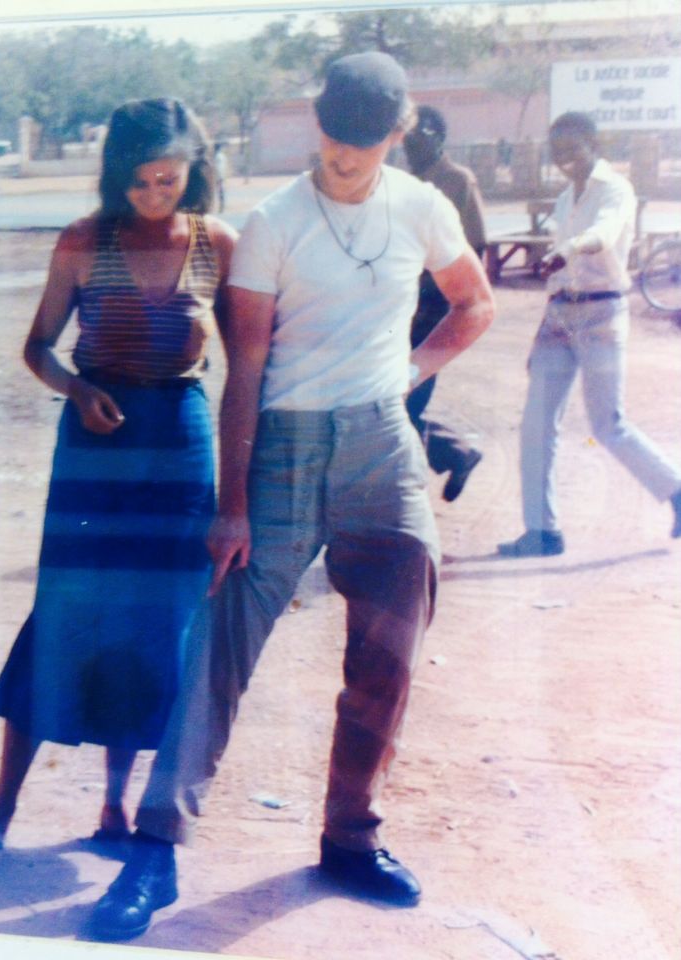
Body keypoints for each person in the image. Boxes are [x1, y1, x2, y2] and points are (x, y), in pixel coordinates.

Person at [87, 52, 494, 942]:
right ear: (317, 122)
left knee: (393, 641)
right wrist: (232, 504)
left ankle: (351, 833)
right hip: (282, 449)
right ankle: (156, 851)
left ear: (397, 132)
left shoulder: (420, 206)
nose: (343, 158)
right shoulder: (274, 224)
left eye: (364, 144)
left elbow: (474, 302)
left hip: (382, 447)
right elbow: (247, 371)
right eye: (333, 138)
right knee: (222, 648)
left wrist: (409, 378)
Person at [0, 98, 236, 877]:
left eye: (169, 179)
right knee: (64, 619)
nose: (155, 194)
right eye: (140, 182)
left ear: (193, 170)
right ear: (116, 177)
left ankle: (115, 805)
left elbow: (252, 359)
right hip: (95, 444)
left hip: (179, 448)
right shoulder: (84, 239)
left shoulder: (217, 243)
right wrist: (80, 392)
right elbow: (38, 348)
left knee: (154, 626)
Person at [498, 111, 681, 557]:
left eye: (573, 150)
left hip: (602, 314)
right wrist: (542, 329)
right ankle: (542, 532)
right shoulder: (565, 199)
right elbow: (560, 274)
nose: (565, 161)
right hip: (560, 315)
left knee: (608, 424)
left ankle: (676, 492)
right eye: (557, 152)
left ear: (594, 146)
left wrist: (570, 248)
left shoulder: (615, 190)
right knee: (537, 426)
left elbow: (605, 233)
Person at [403, 105, 487, 502]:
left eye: (419, 136)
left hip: (435, 310)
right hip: (403, 307)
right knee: (397, 401)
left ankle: (442, 466)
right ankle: (456, 453)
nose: (411, 144)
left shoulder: (457, 181)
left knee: (404, 399)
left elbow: (476, 245)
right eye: (406, 137)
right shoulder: (403, 183)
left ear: (438, 137)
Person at [213, 141, 229, 213]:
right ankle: (221, 205)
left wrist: (217, 176)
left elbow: (218, 167)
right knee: (220, 191)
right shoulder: (222, 156)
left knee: (219, 191)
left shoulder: (217, 156)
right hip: (221, 175)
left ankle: (221, 206)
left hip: (218, 176)